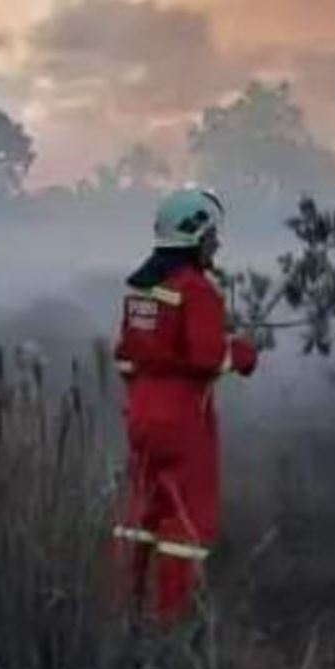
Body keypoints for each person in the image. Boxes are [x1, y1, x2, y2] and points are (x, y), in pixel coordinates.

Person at [112, 187, 259, 624]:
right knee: (185, 518)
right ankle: (168, 624)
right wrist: (243, 354)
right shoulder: (198, 291)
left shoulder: (141, 290)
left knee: (141, 510)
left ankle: (124, 610)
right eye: (211, 235)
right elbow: (207, 358)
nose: (217, 243)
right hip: (182, 422)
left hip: (139, 415)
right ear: (194, 235)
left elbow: (125, 354)